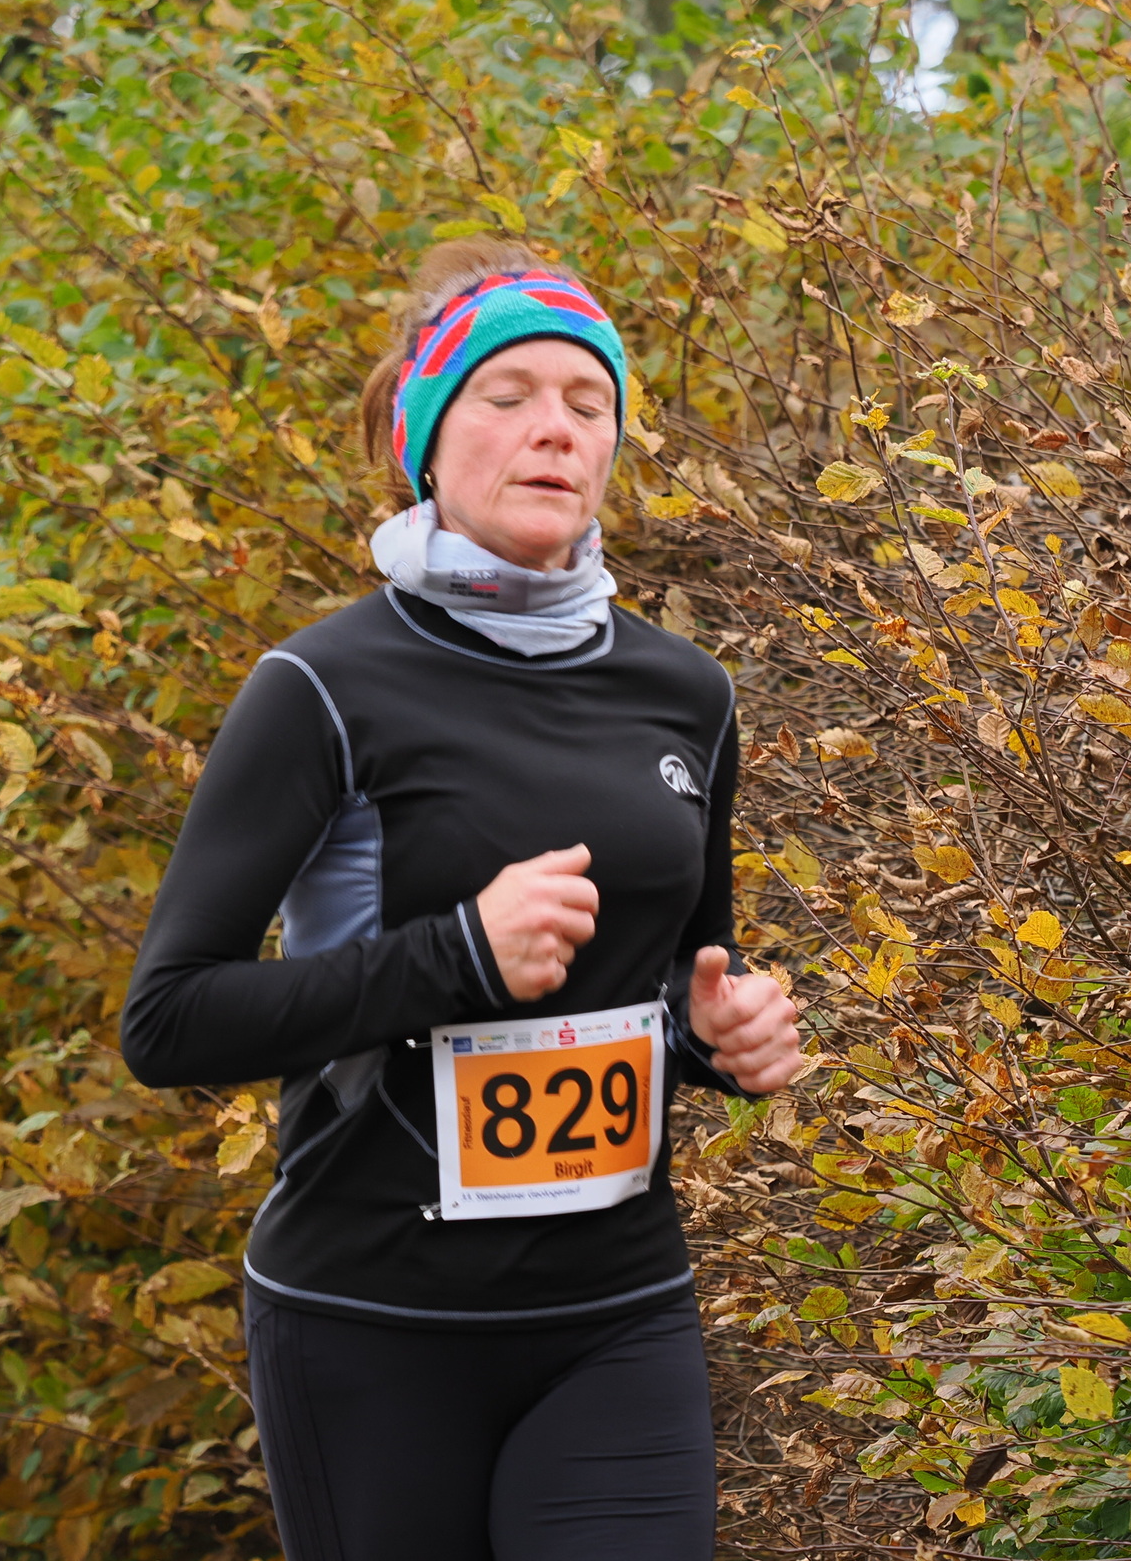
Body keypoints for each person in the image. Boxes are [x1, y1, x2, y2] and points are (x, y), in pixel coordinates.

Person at [121, 239, 804, 1561]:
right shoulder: (323, 688)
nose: (556, 427)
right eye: (508, 395)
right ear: (426, 440)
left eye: (588, 403)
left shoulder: (685, 694)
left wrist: (720, 1037)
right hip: (374, 1325)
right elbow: (170, 1020)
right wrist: (458, 957)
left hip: (617, 1315)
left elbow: (677, 978)